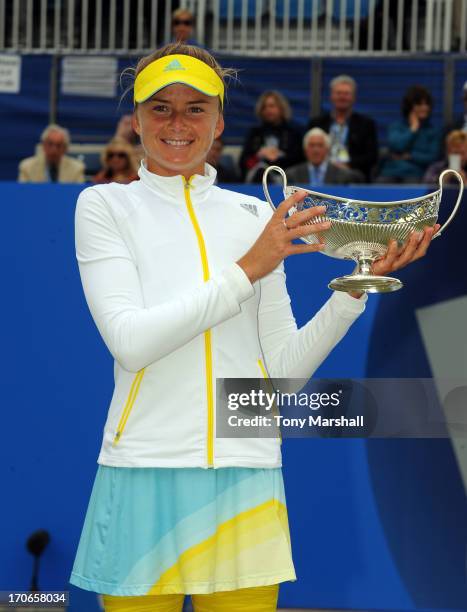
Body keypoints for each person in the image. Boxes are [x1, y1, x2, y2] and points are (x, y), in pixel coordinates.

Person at [69, 42, 438, 612]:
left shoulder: (252, 218)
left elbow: (282, 375)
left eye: (195, 108)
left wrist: (353, 292)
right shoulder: (103, 206)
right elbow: (131, 342)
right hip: (143, 474)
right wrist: (249, 268)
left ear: (219, 121)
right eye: (160, 107)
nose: (177, 123)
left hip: (246, 478)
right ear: (135, 118)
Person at [308, 75, 378, 182]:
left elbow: (372, 156)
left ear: (353, 97)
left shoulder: (366, 124)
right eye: (338, 93)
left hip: (352, 174)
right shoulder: (317, 123)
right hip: (319, 172)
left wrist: (347, 165)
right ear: (331, 96)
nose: (342, 97)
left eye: (346, 94)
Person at [378, 85, 441, 183]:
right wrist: (413, 129)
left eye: (426, 104)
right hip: (390, 172)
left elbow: (432, 157)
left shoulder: (433, 131)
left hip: (415, 174)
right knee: (380, 188)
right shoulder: (396, 126)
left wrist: (410, 156)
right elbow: (397, 146)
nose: (424, 108)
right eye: (419, 104)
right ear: (409, 106)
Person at [239, 90, 305, 182]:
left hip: (286, 179)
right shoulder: (255, 134)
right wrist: (259, 156)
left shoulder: (293, 133)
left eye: (272, 106)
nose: (268, 110)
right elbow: (243, 163)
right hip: (258, 178)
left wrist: (279, 156)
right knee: (261, 171)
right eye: (264, 107)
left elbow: (300, 163)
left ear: (281, 108)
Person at [286, 128, 364, 186]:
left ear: (327, 149)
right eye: (312, 145)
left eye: (320, 145)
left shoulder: (342, 174)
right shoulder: (292, 175)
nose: (316, 150)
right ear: (305, 150)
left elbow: (360, 178)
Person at [18, 124, 84, 183]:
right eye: (50, 144)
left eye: (58, 145)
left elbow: (79, 194)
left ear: (65, 149)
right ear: (43, 145)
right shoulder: (27, 167)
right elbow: (22, 193)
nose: (54, 150)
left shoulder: (77, 169)